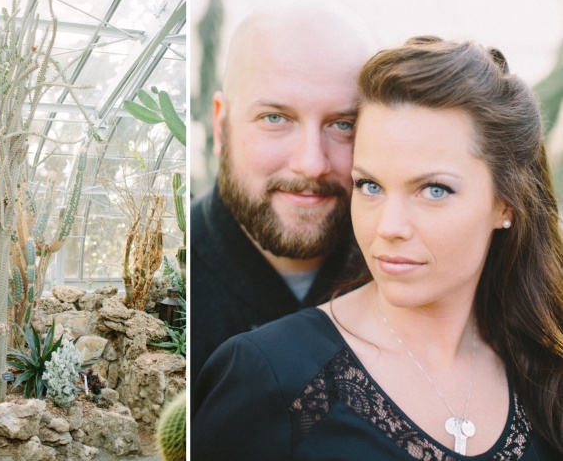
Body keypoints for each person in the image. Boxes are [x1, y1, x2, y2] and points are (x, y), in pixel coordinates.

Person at [192, 36, 563, 460]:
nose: (388, 227)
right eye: (370, 186)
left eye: (433, 190)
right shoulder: (269, 376)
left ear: (506, 204)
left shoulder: (544, 373)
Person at [190, 6, 373, 381]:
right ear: (221, 126)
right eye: (275, 118)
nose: (311, 163)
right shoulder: (178, 275)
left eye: (343, 124)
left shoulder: (397, 269)